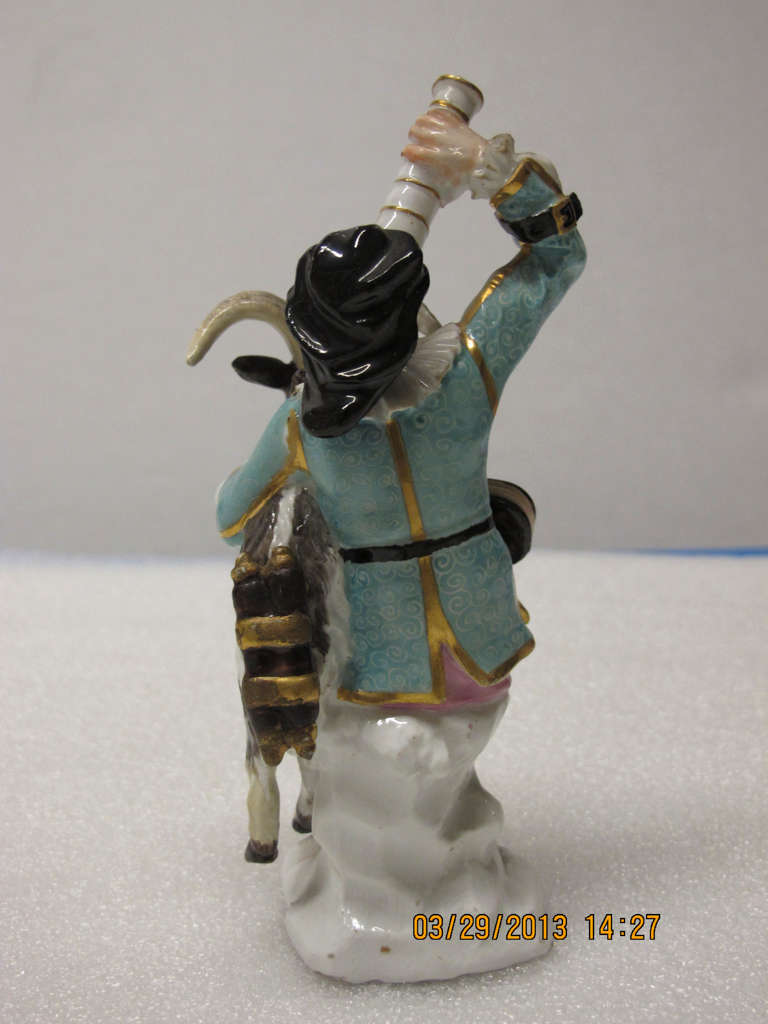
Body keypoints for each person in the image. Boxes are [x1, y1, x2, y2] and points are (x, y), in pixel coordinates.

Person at [216, 108, 586, 981]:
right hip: (465, 640)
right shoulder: (465, 377)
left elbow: (232, 512)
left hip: (389, 658)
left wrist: (294, 471)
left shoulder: (306, 423)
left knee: (396, 788)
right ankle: (413, 895)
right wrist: (497, 175)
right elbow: (555, 259)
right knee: (414, 779)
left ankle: (411, 899)